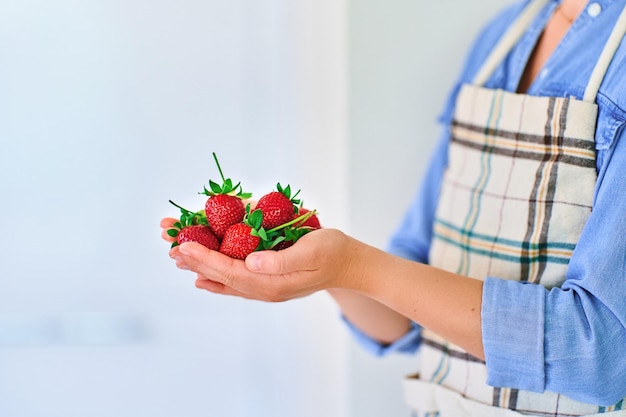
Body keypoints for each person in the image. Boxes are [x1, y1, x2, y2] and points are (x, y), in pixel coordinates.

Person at [161, 0, 626, 415]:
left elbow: (598, 353)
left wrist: (356, 267)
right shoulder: (504, 36)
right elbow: (403, 316)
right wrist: (323, 269)